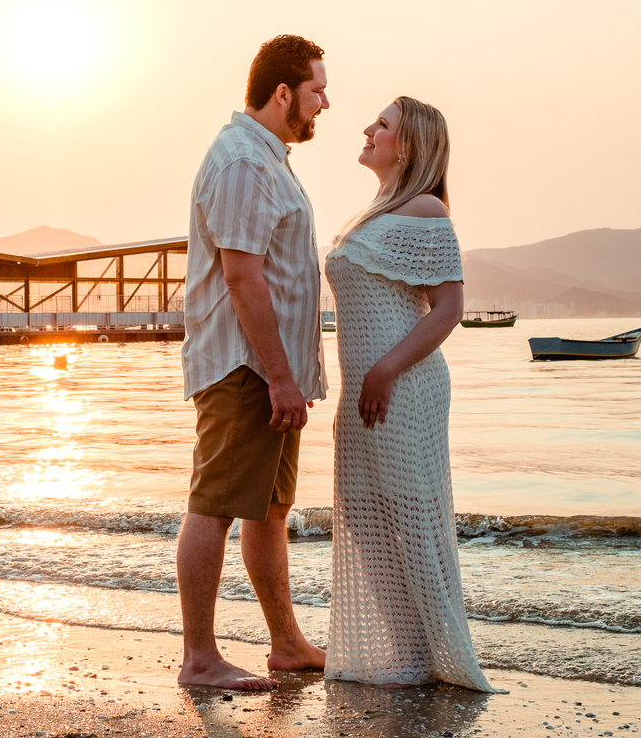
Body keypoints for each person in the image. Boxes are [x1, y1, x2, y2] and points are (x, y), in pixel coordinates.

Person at [323, 96, 498, 692]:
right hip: (365, 389)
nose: (368, 130)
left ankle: (433, 653)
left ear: (410, 145)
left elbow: (450, 307)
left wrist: (386, 369)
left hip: (403, 385)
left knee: (410, 517)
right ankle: (409, 651)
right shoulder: (374, 211)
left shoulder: (423, 208)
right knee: (368, 518)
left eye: (382, 125)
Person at [178, 34, 330, 690]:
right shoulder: (243, 160)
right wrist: (279, 376)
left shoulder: (267, 156)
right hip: (247, 369)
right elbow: (243, 277)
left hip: (268, 371)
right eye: (318, 89)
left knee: (269, 509)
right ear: (283, 93)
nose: (325, 102)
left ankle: (286, 643)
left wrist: (288, 375)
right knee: (213, 503)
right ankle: (200, 659)